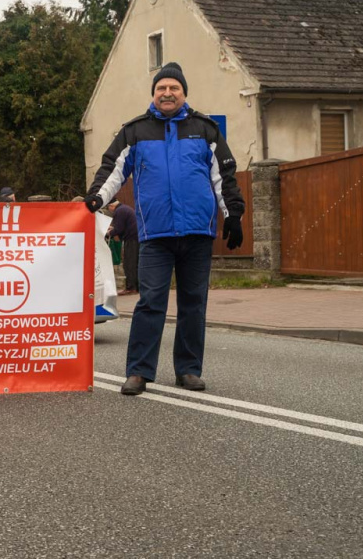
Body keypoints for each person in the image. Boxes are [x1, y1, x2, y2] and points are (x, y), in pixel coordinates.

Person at [84, 61, 245, 396]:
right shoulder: (135, 131)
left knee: (193, 302)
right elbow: (112, 169)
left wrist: (233, 215)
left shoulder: (206, 130)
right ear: (154, 94)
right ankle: (139, 371)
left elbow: (224, 176)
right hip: (155, 235)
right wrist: (96, 199)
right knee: (150, 301)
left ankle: (188, 369)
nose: (167, 93)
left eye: (174, 88)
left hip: (197, 234)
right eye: (161, 88)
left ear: (184, 93)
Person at [107, 199, 139, 295]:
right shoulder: (125, 208)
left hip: (132, 239)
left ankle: (131, 287)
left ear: (111, 206)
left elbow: (119, 229)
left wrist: (108, 233)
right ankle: (136, 287)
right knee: (135, 263)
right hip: (136, 237)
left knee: (129, 264)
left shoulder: (119, 211)